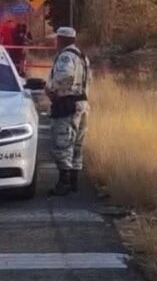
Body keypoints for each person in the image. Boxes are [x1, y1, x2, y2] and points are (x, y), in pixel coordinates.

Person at [45, 26, 91, 196]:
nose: (55, 42)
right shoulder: (82, 57)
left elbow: (65, 77)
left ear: (62, 40)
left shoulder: (65, 57)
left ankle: (63, 182)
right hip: (82, 103)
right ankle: (74, 181)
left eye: (57, 39)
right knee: (77, 144)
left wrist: (50, 89)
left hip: (67, 104)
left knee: (62, 143)